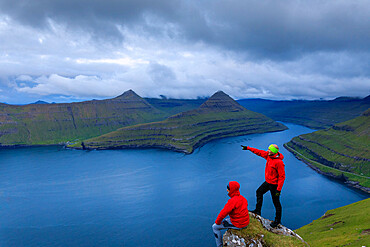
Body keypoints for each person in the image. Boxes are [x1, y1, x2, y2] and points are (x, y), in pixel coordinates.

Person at [241, 144, 285, 228]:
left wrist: (278, 190)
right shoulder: (268, 156)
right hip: (268, 182)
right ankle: (257, 211)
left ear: (274, 152)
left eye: (270, 150)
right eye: (268, 149)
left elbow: (282, 177)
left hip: (274, 185)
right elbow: (259, 152)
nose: (268, 151)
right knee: (259, 192)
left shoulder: (279, 162)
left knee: (276, 203)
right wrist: (248, 148)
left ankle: (277, 221)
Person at [212, 181, 249, 247]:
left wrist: (217, 222)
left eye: (228, 188)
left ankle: (219, 245)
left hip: (239, 224)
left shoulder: (232, 201)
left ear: (232, 190)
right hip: (245, 222)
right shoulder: (243, 198)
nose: (227, 190)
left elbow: (223, 214)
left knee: (215, 227)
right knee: (227, 220)